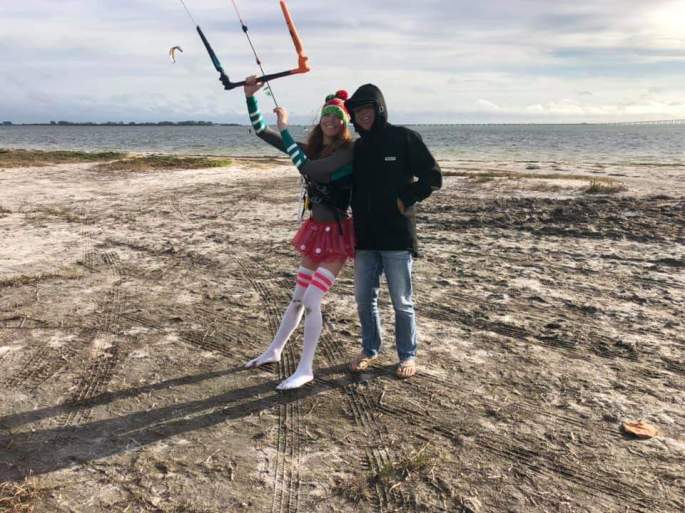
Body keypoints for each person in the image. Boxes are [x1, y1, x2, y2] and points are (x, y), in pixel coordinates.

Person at [242, 76, 355, 390]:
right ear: (320, 121)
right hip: (315, 232)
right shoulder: (310, 150)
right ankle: (274, 350)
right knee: (297, 299)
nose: (330, 121)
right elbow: (261, 130)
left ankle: (306, 368)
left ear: (345, 123)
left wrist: (285, 127)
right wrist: (251, 97)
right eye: (326, 115)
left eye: (337, 117)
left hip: (338, 235)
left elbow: (309, 169)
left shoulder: (348, 152)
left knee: (313, 299)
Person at [344, 84, 442, 379]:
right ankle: (370, 349)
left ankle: (407, 355)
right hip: (365, 237)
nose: (363, 115)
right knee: (364, 299)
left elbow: (433, 176)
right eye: (357, 111)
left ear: (379, 110)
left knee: (402, 301)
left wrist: (405, 199)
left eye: (368, 109)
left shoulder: (404, 138)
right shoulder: (357, 148)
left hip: (397, 236)